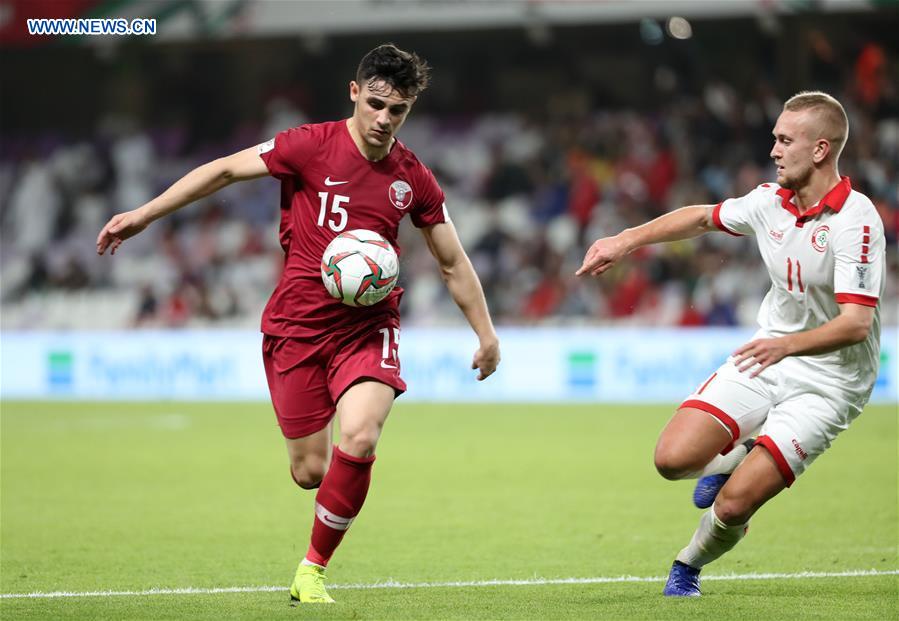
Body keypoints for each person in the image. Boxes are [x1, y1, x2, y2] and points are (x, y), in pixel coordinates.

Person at [97, 44, 501, 604]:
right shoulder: (308, 145)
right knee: (310, 471)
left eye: (398, 110)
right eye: (376, 104)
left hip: (368, 327)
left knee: (360, 434)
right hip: (297, 326)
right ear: (354, 93)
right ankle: (319, 514)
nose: (384, 119)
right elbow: (223, 170)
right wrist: (144, 215)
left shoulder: (413, 178)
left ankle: (312, 569)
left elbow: (452, 261)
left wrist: (486, 333)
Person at [577, 91, 884, 596]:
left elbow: (855, 324)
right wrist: (624, 240)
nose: (774, 150)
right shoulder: (769, 201)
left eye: (785, 141)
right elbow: (702, 217)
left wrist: (787, 346)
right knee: (671, 459)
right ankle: (738, 452)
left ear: (820, 149)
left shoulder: (857, 220)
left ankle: (687, 566)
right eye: (775, 139)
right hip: (770, 354)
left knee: (734, 504)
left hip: (832, 381)